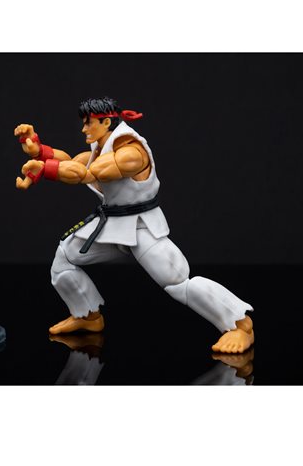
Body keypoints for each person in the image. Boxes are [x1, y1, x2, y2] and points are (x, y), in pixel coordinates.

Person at [14, 97, 254, 354]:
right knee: (65, 257)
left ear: (106, 122)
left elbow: (87, 173)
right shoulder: (100, 145)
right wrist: (38, 149)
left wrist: (45, 168)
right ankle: (87, 316)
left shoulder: (132, 153)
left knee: (177, 282)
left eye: (88, 123)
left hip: (141, 227)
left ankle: (240, 325)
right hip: (112, 225)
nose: (83, 129)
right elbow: (73, 160)